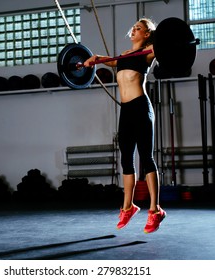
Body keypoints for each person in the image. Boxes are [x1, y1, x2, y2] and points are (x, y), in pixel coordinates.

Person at [84, 18, 166, 234]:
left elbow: (166, 45)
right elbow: (109, 60)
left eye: (139, 28)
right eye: (134, 27)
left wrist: (163, 40)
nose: (134, 30)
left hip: (141, 107)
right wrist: (93, 59)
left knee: (146, 158)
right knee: (126, 159)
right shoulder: (123, 56)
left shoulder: (148, 53)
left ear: (147, 34)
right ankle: (128, 207)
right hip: (126, 110)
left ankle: (155, 210)